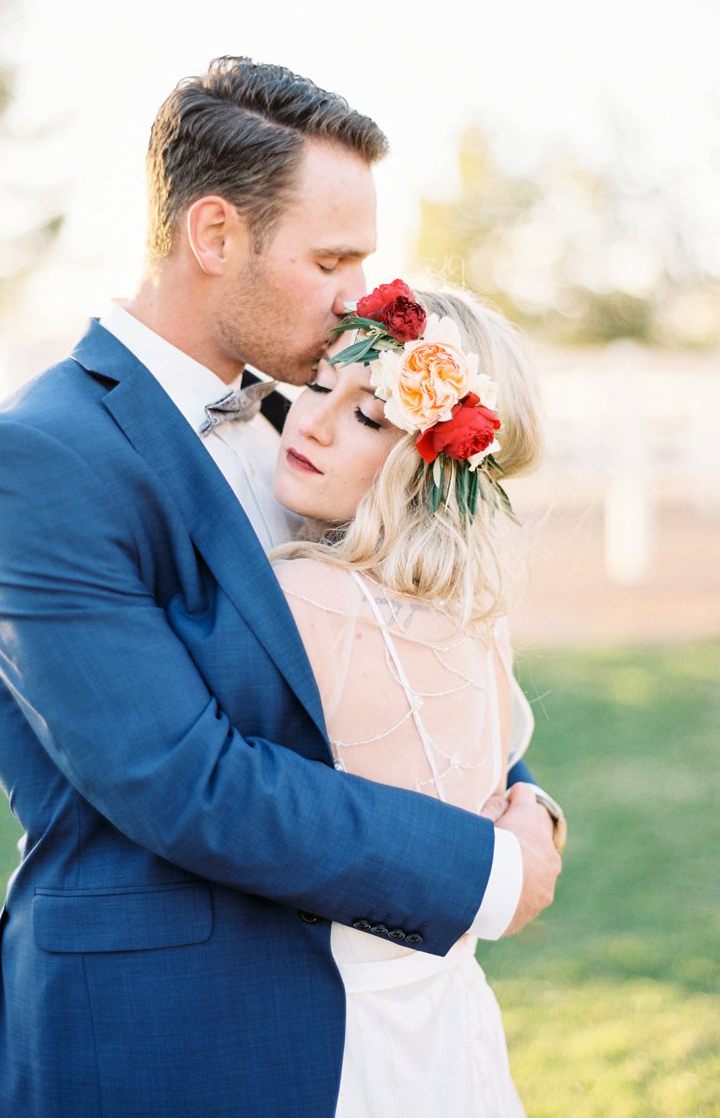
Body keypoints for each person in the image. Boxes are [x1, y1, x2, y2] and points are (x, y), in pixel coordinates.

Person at [0, 57, 562, 1118]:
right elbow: (183, 777)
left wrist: (525, 795)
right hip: (166, 1036)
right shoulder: (37, 457)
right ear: (215, 235)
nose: (362, 297)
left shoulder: (305, 421)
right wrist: (484, 870)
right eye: (331, 259)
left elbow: (413, 623)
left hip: (379, 1023)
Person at [272, 280, 562, 1116]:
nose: (314, 422)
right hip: (452, 1024)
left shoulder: (297, 597)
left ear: (430, 459)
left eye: (369, 416)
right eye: (320, 383)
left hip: (335, 1036)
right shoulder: (476, 617)